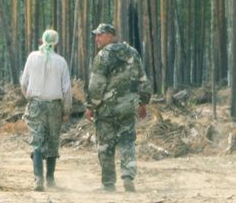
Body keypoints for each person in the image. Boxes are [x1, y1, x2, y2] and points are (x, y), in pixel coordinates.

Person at [84, 23, 151, 192]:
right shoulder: (132, 53)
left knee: (105, 145)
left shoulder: (103, 56)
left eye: (100, 35)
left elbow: (96, 84)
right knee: (127, 142)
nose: (97, 38)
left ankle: (108, 183)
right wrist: (143, 102)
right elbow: (143, 79)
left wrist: (91, 106)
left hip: (107, 109)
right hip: (128, 107)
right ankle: (128, 176)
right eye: (96, 35)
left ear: (111, 36)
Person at [19, 28, 71, 191]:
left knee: (37, 141)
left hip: (36, 104)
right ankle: (50, 178)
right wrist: (66, 110)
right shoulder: (61, 61)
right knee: (53, 140)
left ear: (42, 41)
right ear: (56, 43)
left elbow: (23, 82)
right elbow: (67, 89)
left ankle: (38, 179)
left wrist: (29, 97)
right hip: (54, 106)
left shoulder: (32, 57)